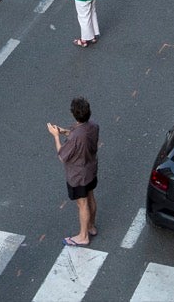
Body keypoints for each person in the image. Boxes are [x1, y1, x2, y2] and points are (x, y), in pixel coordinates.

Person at [48, 97, 100, 247]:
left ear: (74, 114)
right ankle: (91, 226)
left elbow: (62, 155)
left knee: (82, 203)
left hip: (78, 175)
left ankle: (83, 236)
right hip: (91, 168)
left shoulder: (75, 137)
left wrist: (56, 136)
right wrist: (66, 131)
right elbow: (78, 133)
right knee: (91, 197)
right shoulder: (93, 126)